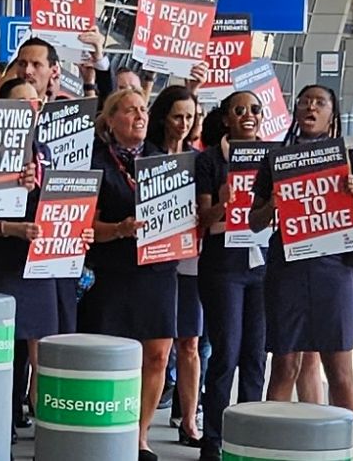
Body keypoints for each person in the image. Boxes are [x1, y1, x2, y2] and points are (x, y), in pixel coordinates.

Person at [251, 85, 353, 418]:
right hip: (288, 270)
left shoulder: (351, 160)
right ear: (294, 110)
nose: (311, 108)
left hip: (334, 273)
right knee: (284, 365)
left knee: (338, 370)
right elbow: (253, 222)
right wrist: (272, 205)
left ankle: (347, 450)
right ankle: (271, 449)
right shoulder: (276, 160)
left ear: (332, 114)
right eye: (304, 101)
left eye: (319, 103)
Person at [0, 77, 82, 439]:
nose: (30, 109)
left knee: (43, 356)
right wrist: (11, 228)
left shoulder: (45, 152)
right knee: (1, 355)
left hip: (39, 266)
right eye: (21, 103)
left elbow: (58, 208)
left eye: (35, 103)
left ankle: (48, 433)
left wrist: (76, 229)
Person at [79, 88, 175, 461]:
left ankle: (140, 435)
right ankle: (106, 427)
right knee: (111, 354)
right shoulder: (95, 163)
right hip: (113, 270)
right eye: (130, 110)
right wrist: (120, 228)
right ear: (111, 119)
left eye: (143, 110)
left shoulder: (163, 160)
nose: (139, 116)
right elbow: (86, 226)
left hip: (158, 270)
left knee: (157, 355)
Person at [194, 91, 268, 461]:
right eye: (240, 110)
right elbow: (202, 221)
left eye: (254, 110)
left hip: (263, 265)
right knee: (227, 352)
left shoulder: (273, 157)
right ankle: (214, 441)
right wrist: (225, 201)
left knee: (255, 357)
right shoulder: (209, 160)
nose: (248, 115)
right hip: (223, 266)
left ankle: (248, 439)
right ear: (226, 119)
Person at [146, 85, 204, 447]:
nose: (183, 123)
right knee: (156, 349)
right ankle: (142, 427)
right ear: (163, 117)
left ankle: (189, 419)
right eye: (177, 116)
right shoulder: (146, 157)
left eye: (190, 117)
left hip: (191, 262)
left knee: (190, 344)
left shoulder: (201, 160)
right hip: (153, 264)